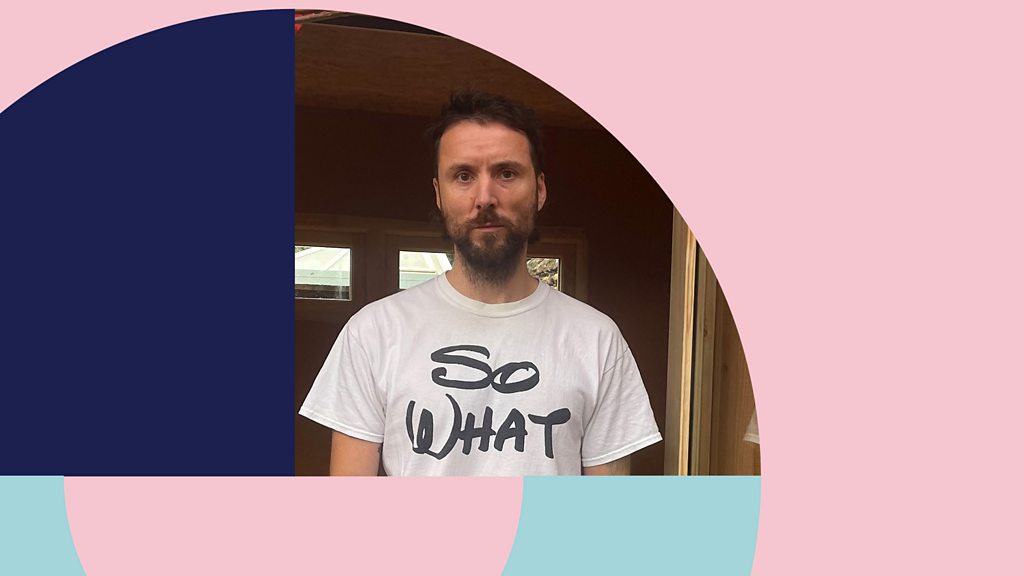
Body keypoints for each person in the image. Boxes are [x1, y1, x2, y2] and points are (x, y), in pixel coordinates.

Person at [299, 90, 661, 476]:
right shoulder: (374, 332)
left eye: (506, 173)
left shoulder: (597, 340)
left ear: (539, 190)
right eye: (463, 176)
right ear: (439, 195)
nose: (485, 197)